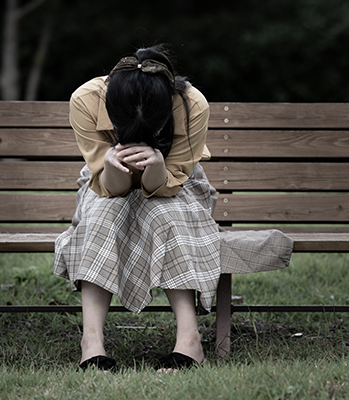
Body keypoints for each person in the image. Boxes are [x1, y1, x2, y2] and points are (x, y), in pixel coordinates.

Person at [53, 45, 293, 373]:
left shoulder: (193, 104)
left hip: (177, 180)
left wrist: (155, 163)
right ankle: (91, 344)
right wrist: (112, 163)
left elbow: (168, 186)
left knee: (166, 215)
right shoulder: (85, 99)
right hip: (105, 182)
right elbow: (110, 189)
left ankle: (190, 341)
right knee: (101, 217)